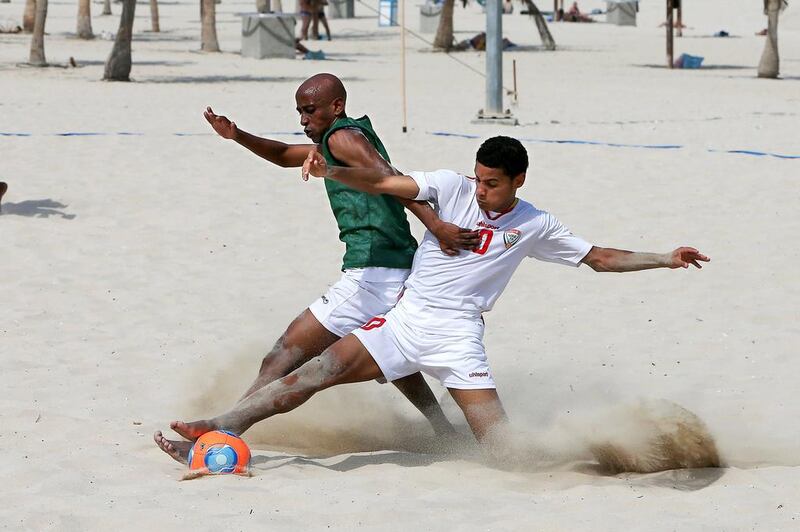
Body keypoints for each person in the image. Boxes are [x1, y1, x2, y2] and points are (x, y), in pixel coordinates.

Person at [155, 136, 710, 463]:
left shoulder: (536, 224)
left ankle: (612, 454)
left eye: (491, 182)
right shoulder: (450, 185)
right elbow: (387, 184)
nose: (480, 188)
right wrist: (336, 171)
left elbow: (599, 257)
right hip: (402, 323)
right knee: (307, 376)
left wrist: (666, 257)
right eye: (478, 178)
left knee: (504, 451)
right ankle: (215, 429)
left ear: (517, 179)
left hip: (457, 335)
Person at [155, 74, 480, 456]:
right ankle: (443, 434)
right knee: (391, 359)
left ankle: (216, 439)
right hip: (394, 269)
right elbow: (282, 155)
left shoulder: (342, 138)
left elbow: (392, 179)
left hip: (372, 274)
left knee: (282, 355)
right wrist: (237, 135)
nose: (303, 120)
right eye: (299, 113)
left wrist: (436, 225)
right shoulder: (340, 139)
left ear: (336, 107)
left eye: (309, 111)